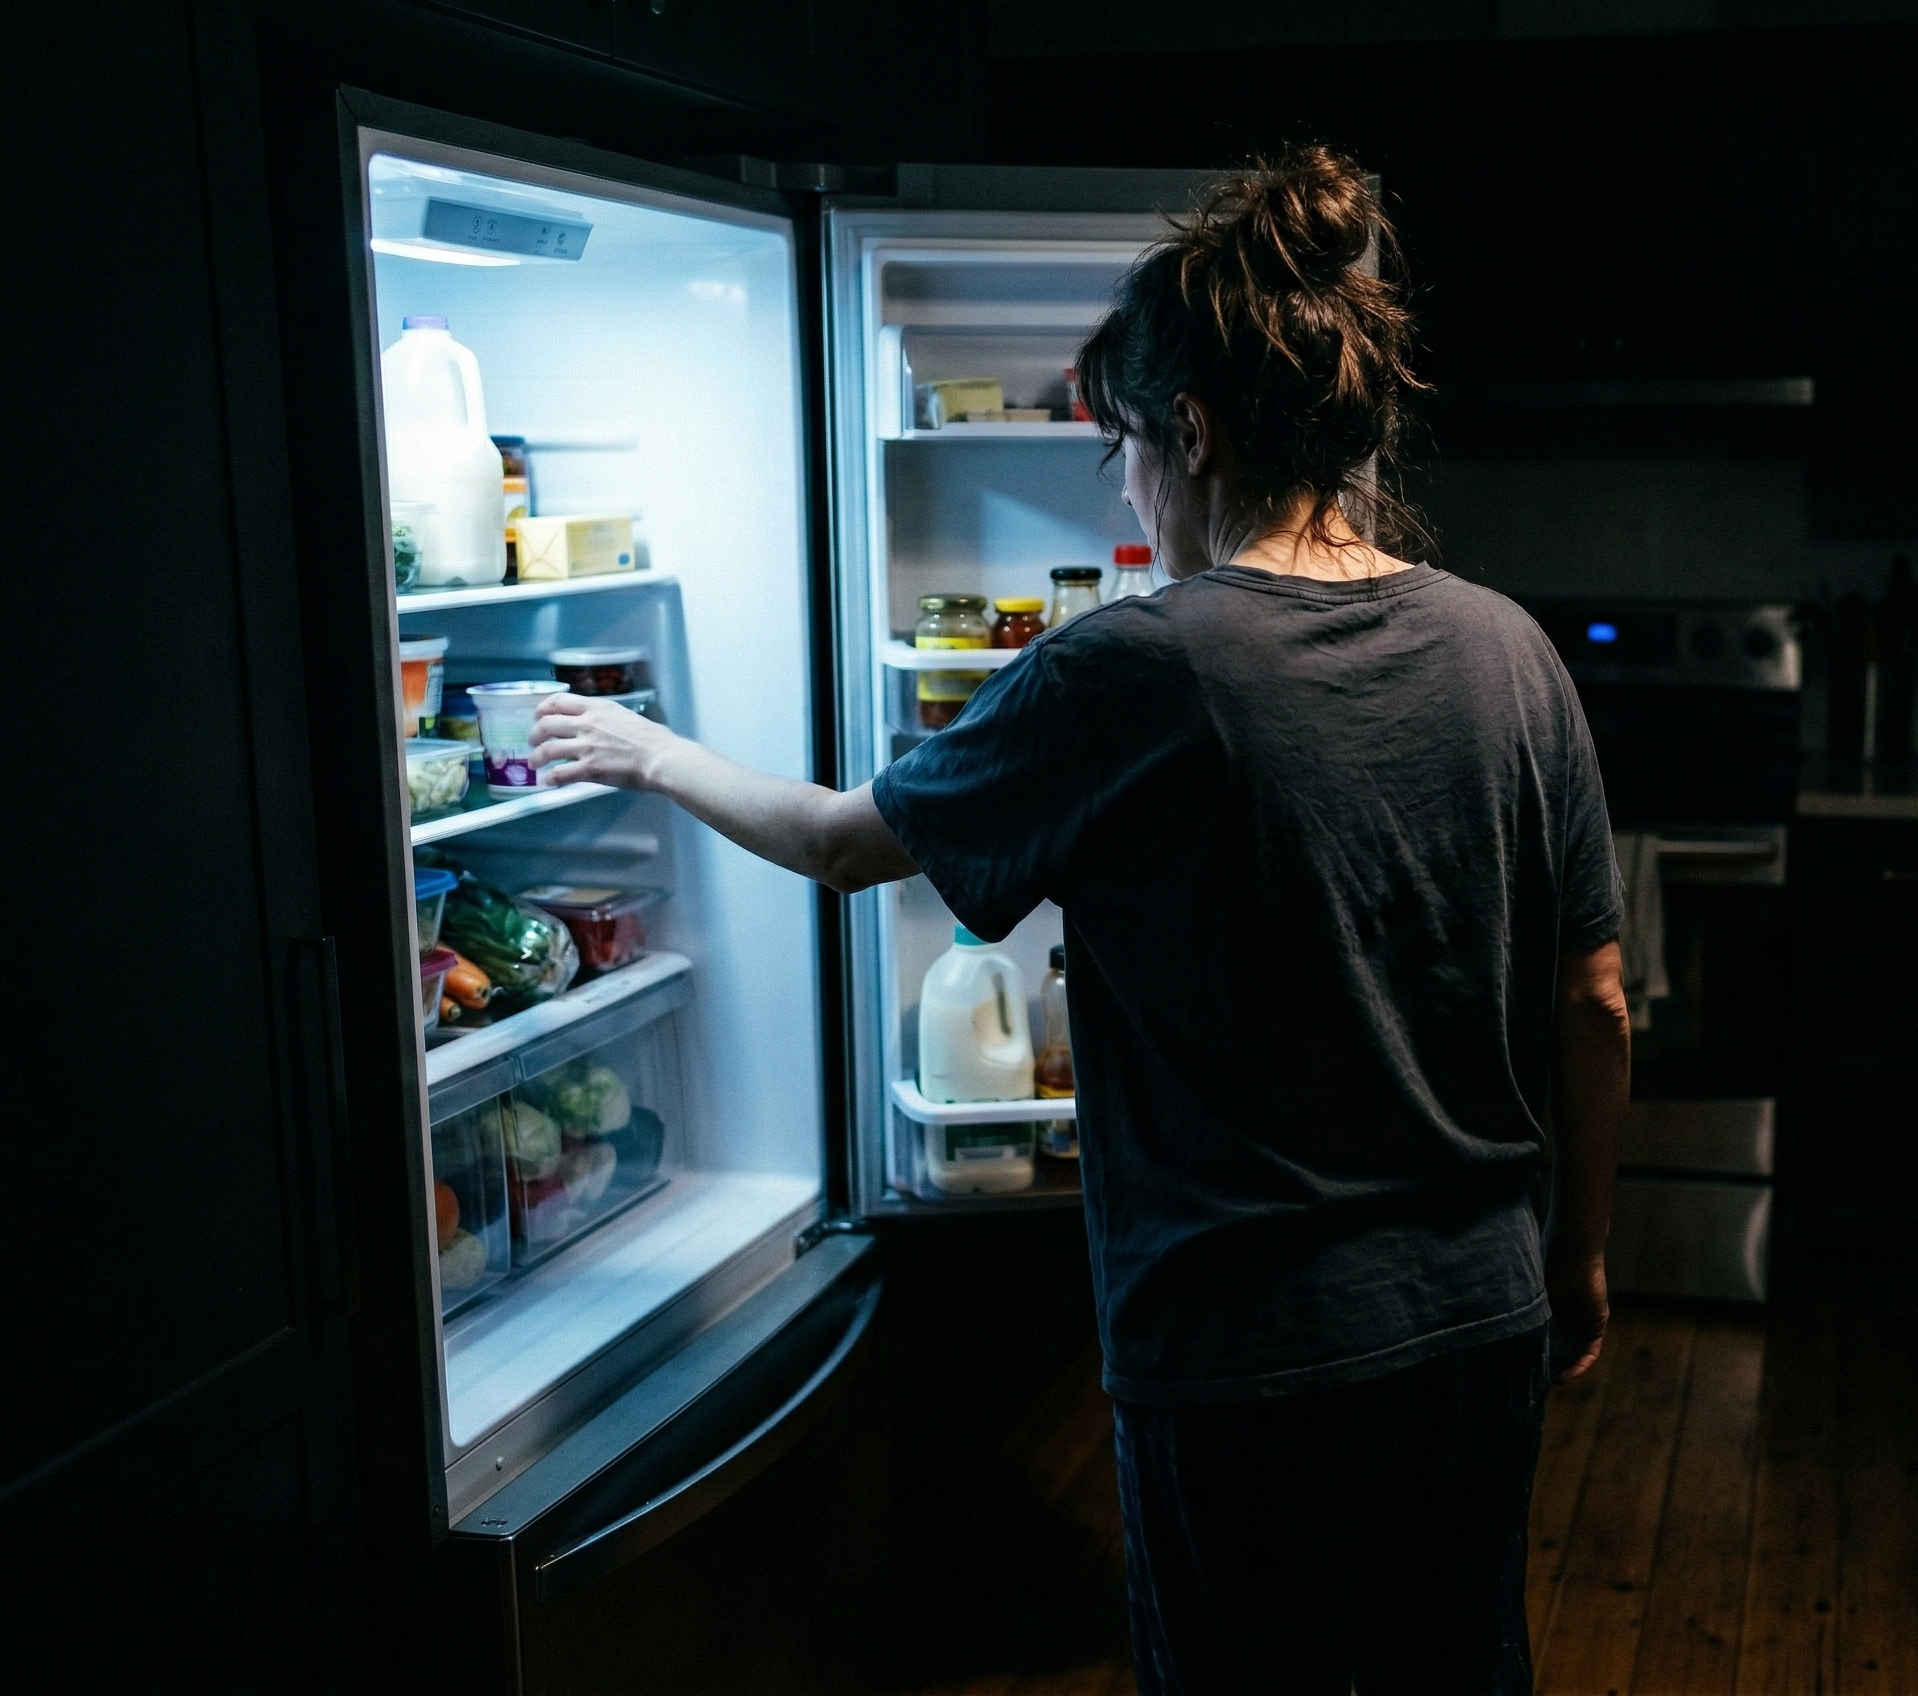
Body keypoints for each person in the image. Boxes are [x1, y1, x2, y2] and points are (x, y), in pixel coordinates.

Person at [527, 144, 1628, 1696]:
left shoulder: (1133, 670)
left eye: (1121, 446)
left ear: (1186, 431)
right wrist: (1577, 1260)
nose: (1120, 485)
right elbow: (1596, 1000)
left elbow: (848, 845)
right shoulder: (1512, 648)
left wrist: (654, 751)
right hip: (1475, 1320)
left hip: (1246, 1351)